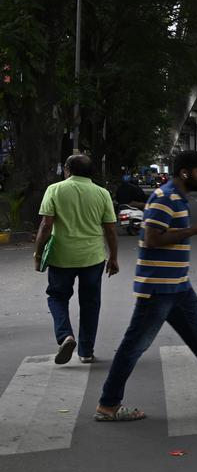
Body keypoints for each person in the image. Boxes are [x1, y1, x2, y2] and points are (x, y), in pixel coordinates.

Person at [95, 151, 197, 422]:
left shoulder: (179, 198)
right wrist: (193, 231)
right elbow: (152, 238)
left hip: (178, 286)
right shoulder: (165, 197)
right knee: (133, 346)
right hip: (159, 288)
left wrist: (194, 231)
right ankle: (108, 405)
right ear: (185, 172)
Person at [34, 154, 120, 364]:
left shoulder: (55, 190)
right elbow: (110, 230)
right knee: (90, 303)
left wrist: (38, 254)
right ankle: (86, 352)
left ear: (67, 169)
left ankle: (66, 336)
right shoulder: (102, 193)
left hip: (61, 257)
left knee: (57, 297)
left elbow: (46, 226)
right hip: (92, 258)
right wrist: (114, 258)